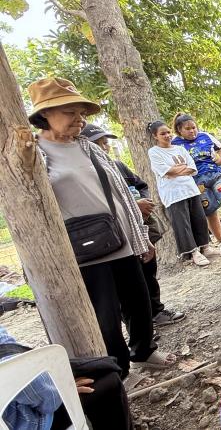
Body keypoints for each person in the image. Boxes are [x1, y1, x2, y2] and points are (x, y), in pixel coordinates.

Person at [27, 77, 174, 377]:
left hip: (119, 238)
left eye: (80, 113)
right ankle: (120, 370)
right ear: (45, 116)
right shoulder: (37, 153)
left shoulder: (88, 147)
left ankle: (144, 351)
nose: (78, 119)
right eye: (69, 112)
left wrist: (140, 236)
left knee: (139, 301)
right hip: (85, 248)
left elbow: (119, 194)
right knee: (105, 316)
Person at [81, 124, 187, 326]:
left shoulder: (119, 166)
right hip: (117, 236)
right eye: (98, 144)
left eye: (105, 143)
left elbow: (140, 185)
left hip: (141, 228)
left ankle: (156, 311)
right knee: (128, 284)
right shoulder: (90, 175)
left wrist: (144, 202)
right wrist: (132, 206)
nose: (104, 148)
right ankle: (139, 324)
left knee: (149, 272)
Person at [1, 325, 133, 430]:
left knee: (98, 369)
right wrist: (62, 389)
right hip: (27, 422)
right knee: (109, 379)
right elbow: (43, 394)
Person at [147, 120, 221, 266]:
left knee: (200, 219)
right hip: (173, 194)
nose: (167, 135)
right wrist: (180, 169)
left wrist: (176, 170)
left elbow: (192, 168)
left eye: (168, 132)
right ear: (155, 136)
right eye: (162, 133)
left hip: (190, 189)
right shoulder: (154, 152)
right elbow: (166, 171)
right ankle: (194, 252)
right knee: (182, 223)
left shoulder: (180, 149)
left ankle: (206, 247)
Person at [171, 112, 221, 253]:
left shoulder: (205, 136)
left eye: (194, 127)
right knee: (210, 211)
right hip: (196, 181)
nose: (192, 131)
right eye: (187, 129)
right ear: (179, 130)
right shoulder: (174, 143)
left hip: (216, 174)